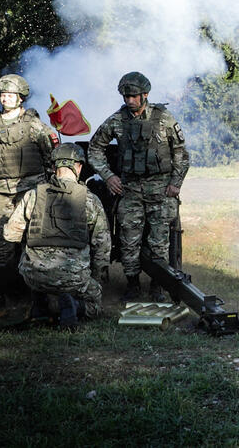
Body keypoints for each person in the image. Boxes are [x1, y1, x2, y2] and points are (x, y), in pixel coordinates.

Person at [88, 71, 189, 302]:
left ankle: (157, 285)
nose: (130, 100)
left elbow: (181, 153)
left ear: (145, 95)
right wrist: (108, 176)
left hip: (161, 191)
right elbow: (95, 148)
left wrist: (176, 183)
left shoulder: (164, 119)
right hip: (130, 190)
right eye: (126, 96)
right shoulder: (117, 120)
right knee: (128, 241)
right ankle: (132, 284)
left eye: (134, 96)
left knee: (159, 243)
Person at [3, 143, 110, 328]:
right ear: (79, 167)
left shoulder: (33, 195)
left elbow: (10, 234)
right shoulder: (90, 200)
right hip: (73, 279)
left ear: (54, 167)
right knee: (95, 305)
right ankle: (74, 305)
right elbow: (103, 247)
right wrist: (95, 278)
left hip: (33, 275)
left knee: (35, 270)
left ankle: (40, 300)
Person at [0, 74, 56, 304]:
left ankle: (35, 293)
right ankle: (3, 293)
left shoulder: (34, 125)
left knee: (31, 239)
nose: (6, 99)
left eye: (11, 95)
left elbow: (49, 154)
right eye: (3, 95)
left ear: (20, 98)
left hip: (29, 191)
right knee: (1, 243)